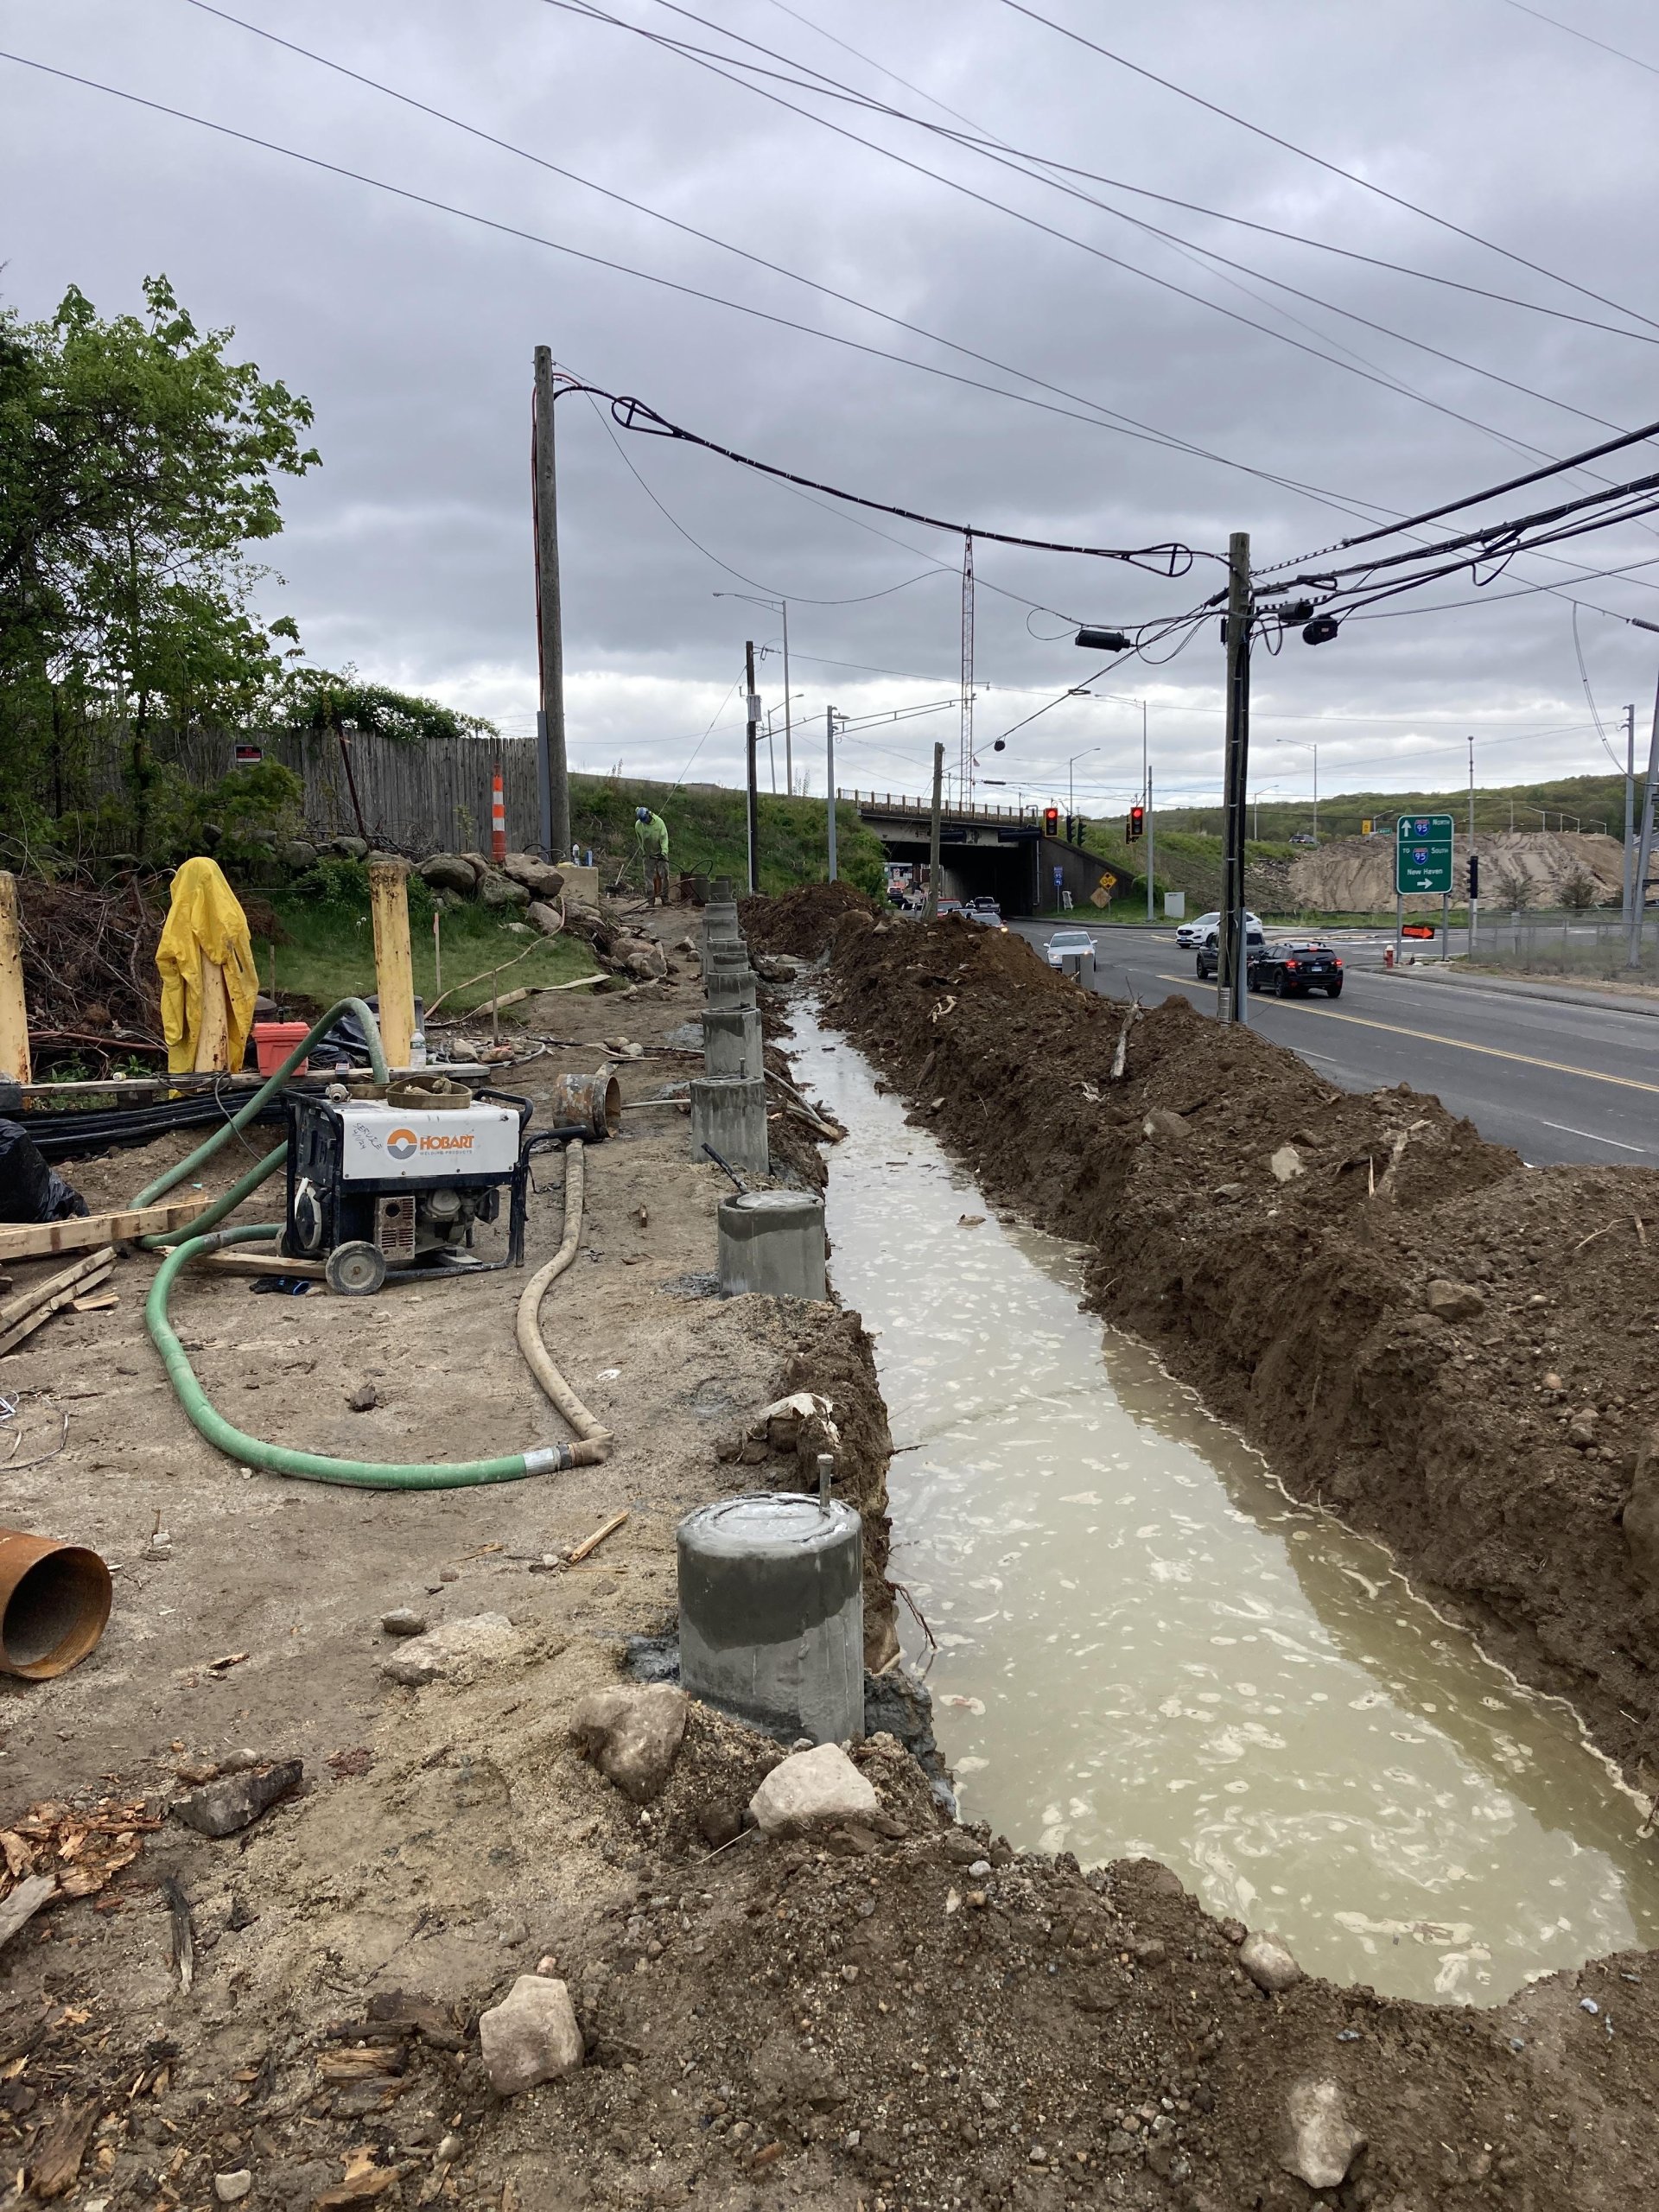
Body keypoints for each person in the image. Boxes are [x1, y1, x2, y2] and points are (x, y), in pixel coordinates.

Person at [634, 805, 670, 906]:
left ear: (649, 814)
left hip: (660, 852)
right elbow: (640, 840)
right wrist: (644, 852)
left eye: (647, 820)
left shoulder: (659, 823)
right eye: (643, 821)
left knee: (665, 876)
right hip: (648, 854)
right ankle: (650, 901)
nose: (646, 822)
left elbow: (664, 838)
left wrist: (664, 852)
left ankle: (665, 899)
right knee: (648, 877)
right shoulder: (638, 825)